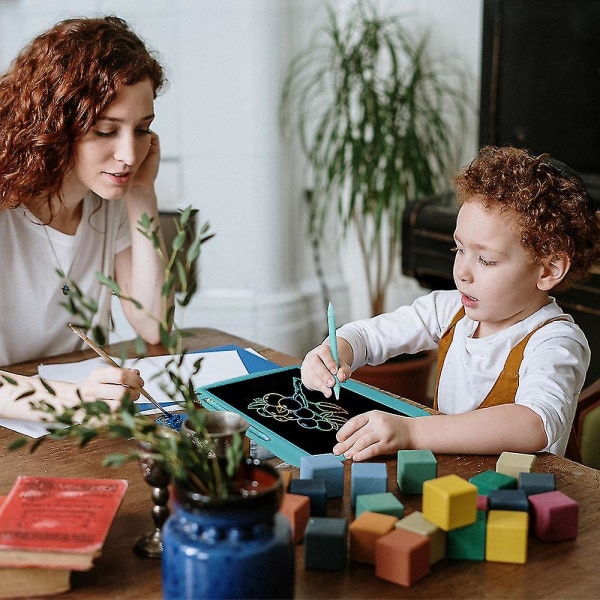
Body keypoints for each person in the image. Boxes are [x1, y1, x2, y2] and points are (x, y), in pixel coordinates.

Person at [301, 145, 600, 460]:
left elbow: (534, 423)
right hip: (449, 482)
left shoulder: (556, 341)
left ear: (549, 269)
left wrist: (411, 431)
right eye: (459, 250)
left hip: (518, 500)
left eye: (485, 260)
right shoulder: (449, 311)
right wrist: (335, 351)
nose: (463, 273)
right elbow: (369, 336)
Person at [0, 16, 169, 420]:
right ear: (55, 126)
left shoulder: (106, 196)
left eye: (142, 129)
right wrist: (75, 400)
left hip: (83, 426)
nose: (129, 155)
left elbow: (152, 325)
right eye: (105, 131)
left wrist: (142, 194)